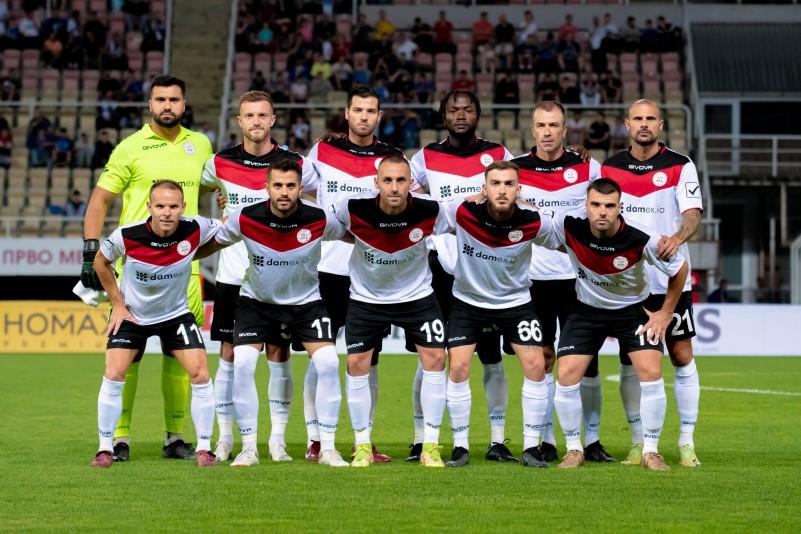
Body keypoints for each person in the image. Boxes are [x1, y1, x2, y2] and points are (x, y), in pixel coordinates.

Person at [80, 75, 214, 463]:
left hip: (185, 270)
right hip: (136, 270)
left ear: (184, 104)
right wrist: (90, 251)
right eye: (160, 99)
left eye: (174, 99)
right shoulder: (130, 148)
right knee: (128, 356)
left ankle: (175, 436)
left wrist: (221, 196)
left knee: (181, 358)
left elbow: (202, 187)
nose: (167, 105)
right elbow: (99, 201)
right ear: (150, 104)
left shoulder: (201, 144)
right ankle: (120, 438)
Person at [196, 158, 349, 468]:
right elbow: (212, 244)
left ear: (300, 188)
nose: (284, 192)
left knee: (329, 363)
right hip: (256, 304)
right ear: (267, 188)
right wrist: (174, 255)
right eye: (278, 185)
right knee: (242, 364)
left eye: (290, 186)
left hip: (307, 304)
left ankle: (327, 448)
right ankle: (248, 448)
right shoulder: (245, 217)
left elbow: (353, 235)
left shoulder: (319, 218)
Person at [199, 90, 318, 463]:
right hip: (234, 275)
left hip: (279, 277)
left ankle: (276, 440)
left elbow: (318, 199)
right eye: (249, 115)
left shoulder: (295, 163)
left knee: (278, 354)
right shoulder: (218, 163)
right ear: (239, 121)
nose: (256, 122)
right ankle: (225, 438)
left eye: (262, 115)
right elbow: (191, 190)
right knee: (229, 354)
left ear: (273, 120)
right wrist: (216, 214)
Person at [551, 178, 688, 470]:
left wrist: (665, 313)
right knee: (565, 376)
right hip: (586, 310)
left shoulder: (641, 237)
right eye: (596, 205)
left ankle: (651, 451)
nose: (602, 211)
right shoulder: (569, 225)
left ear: (620, 208)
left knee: (651, 374)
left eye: (609, 206)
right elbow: (533, 221)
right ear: (586, 206)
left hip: (633, 311)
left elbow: (680, 268)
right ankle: (574, 449)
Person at [409, 90, 515, 463]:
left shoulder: (498, 154)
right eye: (454, 109)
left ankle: (498, 440)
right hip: (440, 269)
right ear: (443, 116)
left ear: (477, 115)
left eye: (467, 109)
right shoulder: (426, 157)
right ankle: (422, 439)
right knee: (431, 358)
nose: (460, 115)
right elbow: (401, 189)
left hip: (486, 268)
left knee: (491, 358)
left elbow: (520, 188)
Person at [304, 85, 405, 463]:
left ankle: (364, 439)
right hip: (327, 269)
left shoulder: (392, 159)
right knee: (322, 357)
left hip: (372, 272)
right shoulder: (322, 151)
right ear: (346, 113)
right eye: (358, 110)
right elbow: (292, 187)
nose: (364, 116)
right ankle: (316, 439)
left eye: (371, 110)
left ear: (380, 116)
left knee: (369, 358)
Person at [602, 99, 703, 468]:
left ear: (660, 124)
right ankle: (637, 442)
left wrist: (677, 237)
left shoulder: (680, 164)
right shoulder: (610, 166)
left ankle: (687, 442)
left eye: (650, 119)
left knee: (681, 355)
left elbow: (692, 214)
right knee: (631, 362)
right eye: (637, 119)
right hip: (629, 283)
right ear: (627, 124)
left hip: (671, 279)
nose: (644, 124)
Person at [90, 180, 220, 469]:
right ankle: (105, 449)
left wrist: (224, 211)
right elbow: (100, 262)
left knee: (200, 374)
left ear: (183, 207)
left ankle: (204, 449)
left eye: (173, 206)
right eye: (160, 205)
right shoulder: (127, 235)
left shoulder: (196, 227)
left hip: (175, 315)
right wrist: (118, 303)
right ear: (149, 207)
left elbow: (226, 229)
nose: (166, 212)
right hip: (133, 316)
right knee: (114, 374)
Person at [511, 101, 612, 464]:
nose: (547, 132)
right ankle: (549, 440)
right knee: (542, 361)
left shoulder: (588, 167)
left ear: (565, 130)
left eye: (554, 125)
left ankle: (593, 440)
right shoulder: (515, 169)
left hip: (578, 279)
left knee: (589, 362)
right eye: (541, 125)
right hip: (533, 280)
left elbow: (605, 212)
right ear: (532, 129)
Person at [442, 160, 560, 468]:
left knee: (536, 366)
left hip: (516, 303)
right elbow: (424, 217)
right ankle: (460, 447)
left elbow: (567, 241)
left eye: (509, 184)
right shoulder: (461, 211)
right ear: (484, 188)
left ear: (519, 190)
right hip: (467, 301)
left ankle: (531, 448)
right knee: (458, 367)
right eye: (495, 183)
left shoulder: (534, 220)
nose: (502, 190)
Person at [334, 155, 449, 468]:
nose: (394, 187)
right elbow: (330, 227)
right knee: (356, 363)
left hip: (417, 297)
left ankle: (430, 446)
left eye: (401, 180)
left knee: (436, 360)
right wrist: (362, 238)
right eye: (387, 180)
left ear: (411, 182)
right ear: (376, 183)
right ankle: (361, 446)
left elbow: (464, 218)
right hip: (366, 298)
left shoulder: (430, 209)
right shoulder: (351, 207)